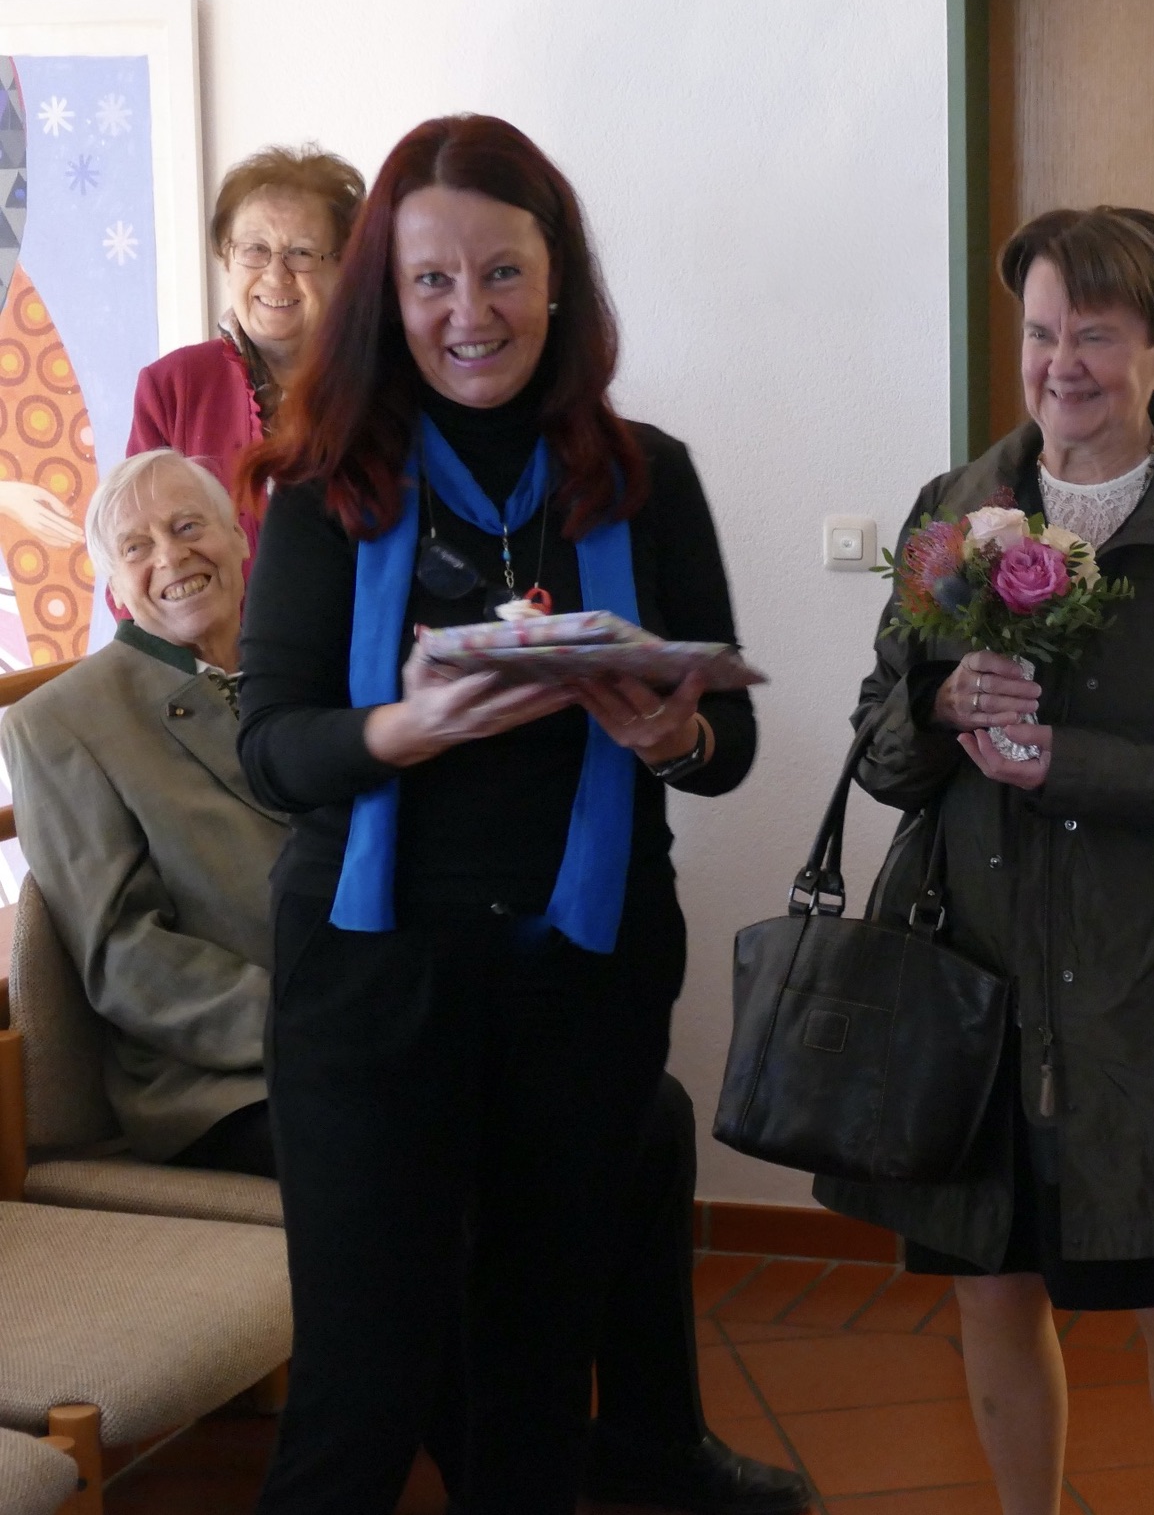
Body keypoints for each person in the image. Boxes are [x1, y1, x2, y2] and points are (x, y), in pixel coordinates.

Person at [235, 113, 762, 1515]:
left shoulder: (647, 475)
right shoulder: (325, 483)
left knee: (535, 1379)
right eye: (431, 279)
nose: (469, 311)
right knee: (363, 1385)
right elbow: (272, 750)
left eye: (502, 272)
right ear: (387, 295)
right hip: (371, 983)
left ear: (558, 278)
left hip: (581, 978)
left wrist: (676, 730)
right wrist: (403, 728)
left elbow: (731, 746)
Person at [817, 206, 1154, 1515]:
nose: (1059, 366)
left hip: (1146, 967)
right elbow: (880, 747)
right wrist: (940, 705)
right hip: (971, 960)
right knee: (989, 1281)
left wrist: (1073, 763)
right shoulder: (953, 509)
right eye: (1041, 333)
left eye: (1094, 336)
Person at [1, 449, 280, 1175]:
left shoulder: (307, 662)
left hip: (391, 1014)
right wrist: (313, 1020)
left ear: (238, 536)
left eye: (189, 526)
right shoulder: (56, 723)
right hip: (229, 1080)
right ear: (115, 586)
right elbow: (124, 955)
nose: (171, 556)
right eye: (136, 547)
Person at [127, 144, 366, 553]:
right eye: (255, 249)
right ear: (226, 258)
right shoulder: (171, 387)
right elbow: (134, 550)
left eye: (301, 253)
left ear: (343, 267)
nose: (276, 275)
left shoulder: (383, 385)